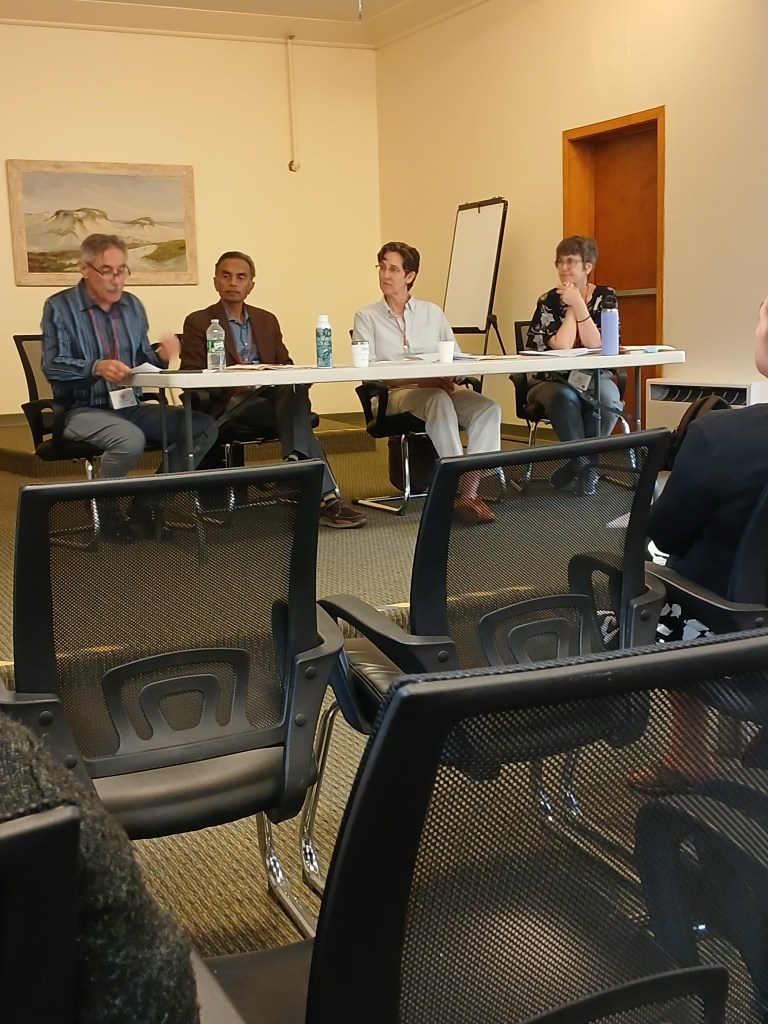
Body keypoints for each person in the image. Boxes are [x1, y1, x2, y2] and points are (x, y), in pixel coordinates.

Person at [628, 398, 768, 793]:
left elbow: (666, 533)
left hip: (740, 633)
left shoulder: (722, 434)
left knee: (657, 588)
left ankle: (689, 757)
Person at [42, 234, 218, 538]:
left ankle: (149, 502)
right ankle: (103, 505)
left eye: (121, 270)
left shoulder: (132, 306)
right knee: (130, 439)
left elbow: (141, 361)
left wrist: (160, 356)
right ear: (83, 268)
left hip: (129, 405)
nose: (116, 280)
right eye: (106, 271)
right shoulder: (60, 307)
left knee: (202, 427)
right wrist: (95, 367)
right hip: (81, 408)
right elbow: (52, 365)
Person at [181, 251, 366, 530]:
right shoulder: (199, 321)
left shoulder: (266, 320)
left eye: (241, 277)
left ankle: (298, 464)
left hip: (268, 401)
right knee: (296, 414)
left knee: (292, 390)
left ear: (251, 285)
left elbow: (285, 365)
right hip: (228, 406)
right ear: (215, 281)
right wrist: (234, 383)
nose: (233, 282)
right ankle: (325, 496)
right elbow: (191, 373)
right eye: (226, 276)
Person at [353, 241, 502, 525]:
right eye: (382, 267)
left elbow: (455, 356)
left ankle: (468, 493)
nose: (385, 275)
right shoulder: (366, 316)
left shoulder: (432, 313)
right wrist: (422, 380)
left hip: (437, 389)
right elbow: (370, 373)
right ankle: (452, 486)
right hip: (393, 394)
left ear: (410, 276)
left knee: (488, 409)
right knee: (436, 398)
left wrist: (450, 375)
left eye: (393, 269)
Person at [526, 235, 623, 494]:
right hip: (551, 379)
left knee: (608, 399)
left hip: (594, 376)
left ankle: (578, 464)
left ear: (587, 267)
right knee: (564, 397)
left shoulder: (605, 296)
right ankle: (586, 465)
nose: (564, 268)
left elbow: (598, 344)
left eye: (570, 262)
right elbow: (563, 345)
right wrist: (571, 308)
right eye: (559, 262)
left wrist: (579, 303)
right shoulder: (548, 301)